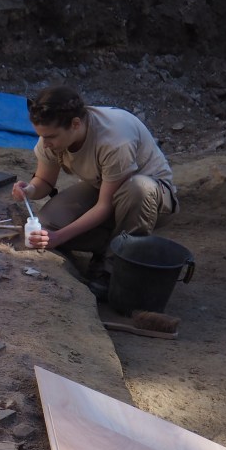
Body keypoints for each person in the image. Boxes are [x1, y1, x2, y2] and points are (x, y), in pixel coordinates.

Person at [13, 86, 177, 296]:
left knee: (138, 189)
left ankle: (113, 268)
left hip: (153, 197)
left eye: (51, 137)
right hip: (104, 186)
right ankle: (110, 244)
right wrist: (30, 189)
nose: (45, 144)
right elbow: (44, 180)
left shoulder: (115, 140)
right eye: (41, 136)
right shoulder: (52, 134)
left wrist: (59, 238)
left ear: (75, 124)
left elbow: (103, 206)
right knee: (46, 225)